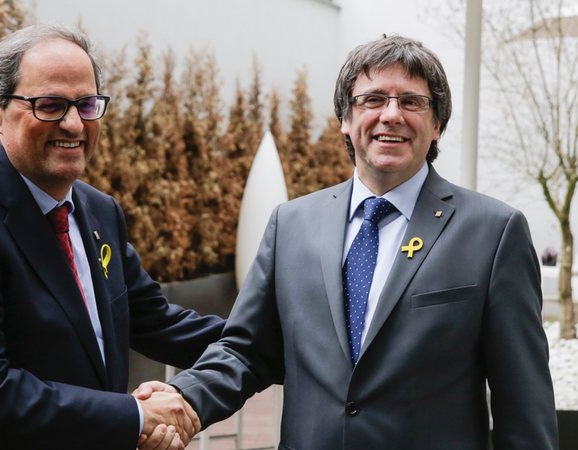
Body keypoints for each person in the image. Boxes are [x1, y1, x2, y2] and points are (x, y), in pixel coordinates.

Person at [137, 35, 558, 449]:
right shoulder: (292, 223)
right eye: (372, 99)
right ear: (345, 118)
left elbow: (524, 403)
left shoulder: (494, 232)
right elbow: (247, 350)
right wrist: (184, 397)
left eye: (411, 101)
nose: (391, 115)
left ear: (437, 125)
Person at [0, 23, 223, 450]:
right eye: (49, 105)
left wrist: (282, 339)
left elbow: (158, 323)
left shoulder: (98, 210)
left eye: (86, 105)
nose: (73, 124)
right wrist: (135, 415)